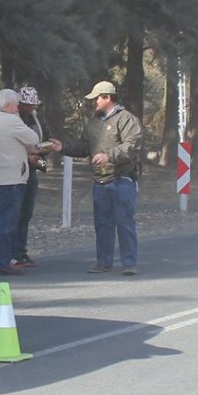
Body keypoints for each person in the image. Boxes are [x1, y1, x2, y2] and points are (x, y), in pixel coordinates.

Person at [56, 79, 143, 275]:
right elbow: (84, 146)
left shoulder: (126, 119)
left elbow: (132, 146)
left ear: (108, 98)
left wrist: (108, 156)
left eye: (97, 98)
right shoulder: (93, 123)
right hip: (100, 181)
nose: (94, 102)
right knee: (102, 224)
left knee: (124, 222)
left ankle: (129, 263)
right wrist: (63, 147)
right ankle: (103, 262)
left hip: (122, 179)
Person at [0, 88, 40, 276]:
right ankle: (2, 261)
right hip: (8, 179)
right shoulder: (11, 120)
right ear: (7, 106)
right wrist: (19, 120)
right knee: (6, 221)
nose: (18, 109)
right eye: (15, 106)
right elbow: (34, 138)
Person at [12, 86, 49, 268]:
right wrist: (27, 156)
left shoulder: (37, 119)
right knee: (14, 212)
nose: (32, 107)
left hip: (31, 171)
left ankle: (20, 251)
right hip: (14, 172)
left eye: (34, 104)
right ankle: (10, 252)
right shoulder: (12, 120)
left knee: (26, 213)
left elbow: (45, 138)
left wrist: (41, 155)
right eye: (28, 104)